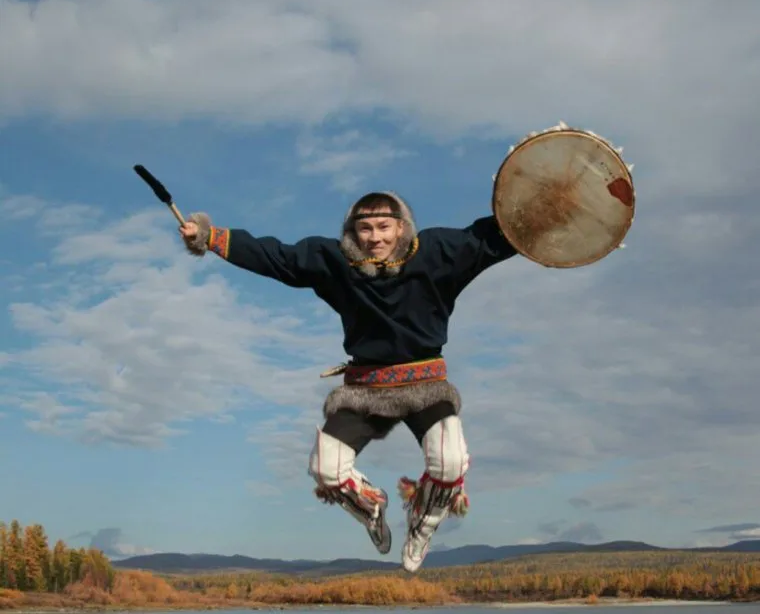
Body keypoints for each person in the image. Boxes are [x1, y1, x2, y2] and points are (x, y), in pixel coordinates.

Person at [179, 192, 518, 572]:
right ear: (352, 232)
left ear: (401, 228)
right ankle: (372, 507)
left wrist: (566, 200)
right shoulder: (335, 261)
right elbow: (276, 256)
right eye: (365, 228)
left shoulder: (439, 251)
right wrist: (209, 237)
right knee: (326, 470)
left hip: (426, 385)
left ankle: (424, 517)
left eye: (384, 227)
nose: (375, 237)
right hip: (364, 389)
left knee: (451, 462)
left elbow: (497, 235)